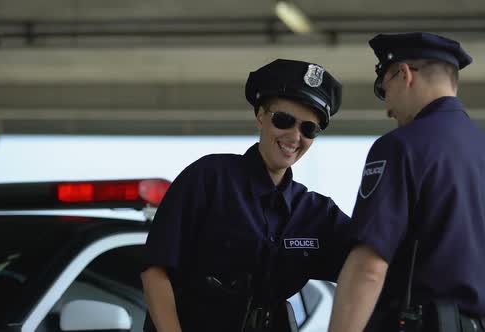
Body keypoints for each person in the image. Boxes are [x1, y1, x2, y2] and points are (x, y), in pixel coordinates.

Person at [328, 32, 485, 332]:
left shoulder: (401, 147)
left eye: (385, 91)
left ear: (403, 74)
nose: (388, 109)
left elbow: (369, 268)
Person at [141, 58, 351, 332]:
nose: (294, 136)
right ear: (261, 115)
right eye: (284, 120)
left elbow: (373, 262)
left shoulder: (317, 213)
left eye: (308, 128)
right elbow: (155, 270)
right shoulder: (209, 179)